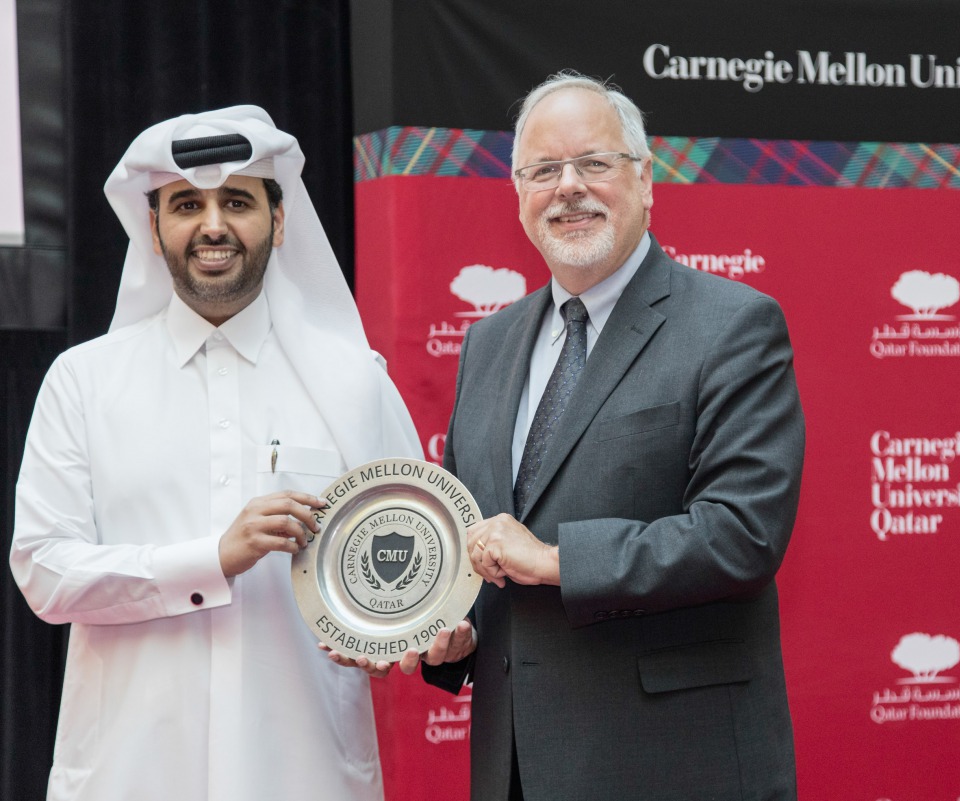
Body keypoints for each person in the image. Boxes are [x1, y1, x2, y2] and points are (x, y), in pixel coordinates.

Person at [334, 71, 805, 800]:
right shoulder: (488, 344)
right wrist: (434, 628)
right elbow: (474, 545)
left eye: (593, 163)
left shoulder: (733, 326)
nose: (568, 188)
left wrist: (553, 560)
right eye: (544, 170)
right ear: (518, 194)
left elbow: (740, 536)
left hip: (676, 766)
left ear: (646, 181)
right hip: (517, 768)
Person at [10, 106, 422, 801]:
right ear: (154, 226)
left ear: (280, 221)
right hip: (129, 774)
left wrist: (396, 636)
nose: (212, 224)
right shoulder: (83, 381)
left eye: (237, 200)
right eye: (186, 204)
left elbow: (416, 567)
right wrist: (211, 558)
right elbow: (45, 570)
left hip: (304, 772)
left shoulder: (354, 380)